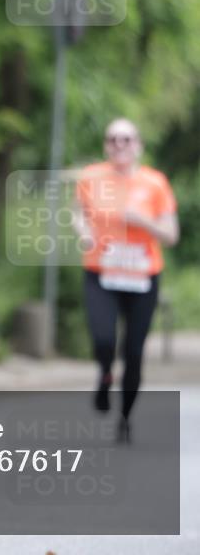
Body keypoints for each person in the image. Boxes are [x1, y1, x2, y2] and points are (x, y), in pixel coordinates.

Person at [74, 118, 179, 442]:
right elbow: (77, 213)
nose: (120, 145)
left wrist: (144, 221)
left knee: (134, 351)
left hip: (142, 277)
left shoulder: (155, 183)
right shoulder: (91, 177)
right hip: (101, 271)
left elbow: (172, 235)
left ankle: (126, 416)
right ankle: (105, 374)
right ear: (106, 145)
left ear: (139, 146)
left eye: (127, 139)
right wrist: (84, 233)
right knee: (104, 339)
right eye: (113, 139)